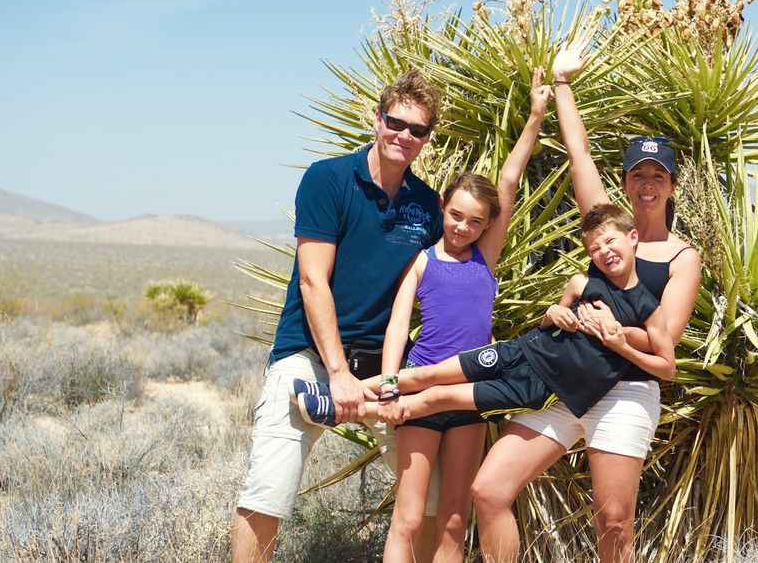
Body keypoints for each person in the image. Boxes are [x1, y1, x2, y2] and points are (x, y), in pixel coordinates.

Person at [469, 33, 703, 563]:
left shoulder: (682, 257)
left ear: (671, 185)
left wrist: (611, 330)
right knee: (489, 491)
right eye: (637, 174)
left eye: (657, 176)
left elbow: (665, 335)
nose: (647, 184)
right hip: (563, 377)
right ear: (624, 180)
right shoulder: (606, 221)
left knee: (614, 522)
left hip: (625, 389)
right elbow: (578, 152)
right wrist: (562, 81)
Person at [231, 69, 445, 563]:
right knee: (269, 489)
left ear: (426, 139)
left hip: (385, 364)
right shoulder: (328, 180)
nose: (404, 136)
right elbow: (313, 281)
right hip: (310, 355)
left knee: (429, 496)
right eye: (396, 123)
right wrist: (337, 373)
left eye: (418, 130)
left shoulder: (427, 205)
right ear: (377, 119)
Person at [374, 69, 550, 563]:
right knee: (408, 519)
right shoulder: (423, 259)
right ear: (443, 209)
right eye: (455, 215)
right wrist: (390, 381)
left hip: (472, 396)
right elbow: (397, 324)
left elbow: (510, 179)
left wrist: (536, 115)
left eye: (475, 221)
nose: (463, 227)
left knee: (454, 518)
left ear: (488, 225)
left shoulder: (484, 259)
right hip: (422, 391)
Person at [292, 204, 676, 430]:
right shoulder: (581, 282)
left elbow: (666, 367)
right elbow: (551, 321)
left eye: (610, 242)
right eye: (594, 247)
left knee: (438, 397)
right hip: (520, 351)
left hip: (536, 388)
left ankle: (342, 412)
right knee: (426, 375)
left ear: (633, 239)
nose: (604, 252)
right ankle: (334, 392)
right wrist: (553, 313)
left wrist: (619, 343)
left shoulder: (649, 308)